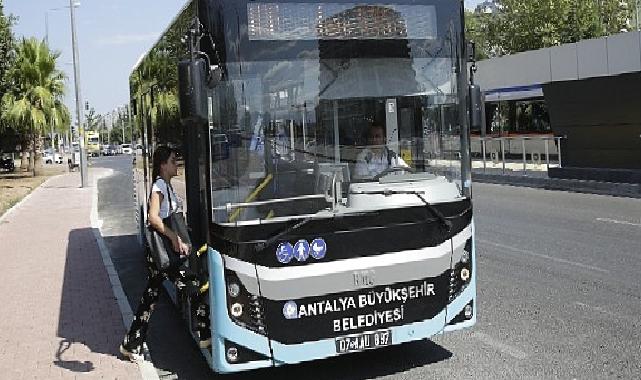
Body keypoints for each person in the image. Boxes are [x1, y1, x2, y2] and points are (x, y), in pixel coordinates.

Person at [120, 145, 209, 362]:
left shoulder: (166, 186)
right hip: (164, 255)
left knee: (150, 297)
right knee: (194, 285)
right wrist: (174, 237)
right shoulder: (160, 185)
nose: (176, 163)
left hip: (160, 256)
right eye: (172, 160)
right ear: (163, 165)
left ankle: (131, 344)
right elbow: (153, 217)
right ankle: (205, 334)